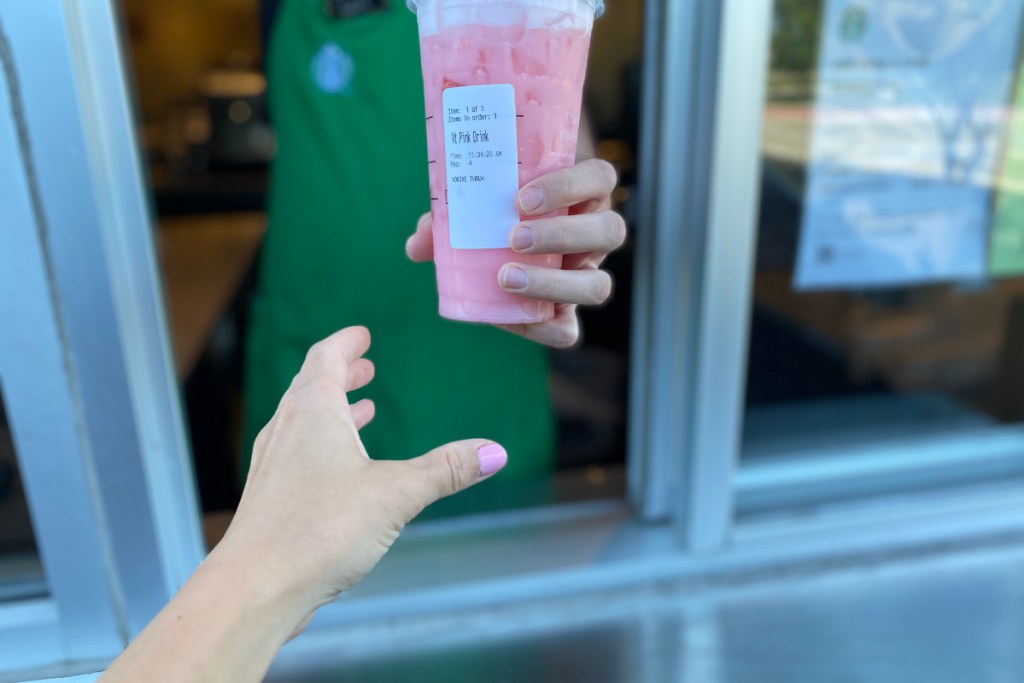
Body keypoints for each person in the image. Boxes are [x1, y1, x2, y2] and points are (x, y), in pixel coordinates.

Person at [243, 0, 612, 515]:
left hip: (466, 380)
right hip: (304, 366)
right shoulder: (277, 10)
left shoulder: (502, 9)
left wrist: (573, 226)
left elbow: (562, 150)